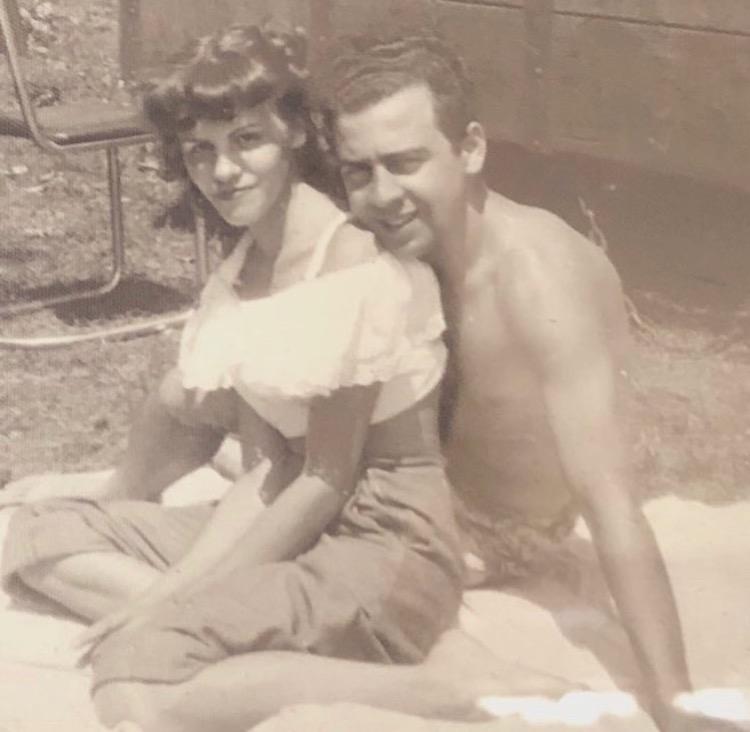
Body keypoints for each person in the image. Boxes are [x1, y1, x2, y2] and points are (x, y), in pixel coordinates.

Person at [0, 25, 473, 731]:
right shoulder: (246, 269)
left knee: (134, 674)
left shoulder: (349, 267)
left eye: (247, 141)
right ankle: (234, 637)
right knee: (34, 536)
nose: (223, 172)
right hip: (298, 515)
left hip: (384, 542)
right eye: (201, 151)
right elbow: (265, 468)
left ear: (295, 141)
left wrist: (174, 605)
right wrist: (191, 592)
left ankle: (439, 691)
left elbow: (323, 478)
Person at [312, 32, 744, 732]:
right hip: (429, 506)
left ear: (472, 149)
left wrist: (676, 700)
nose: (382, 195)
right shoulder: (402, 254)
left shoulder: (540, 282)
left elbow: (609, 502)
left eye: (406, 162)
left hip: (505, 540)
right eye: (358, 172)